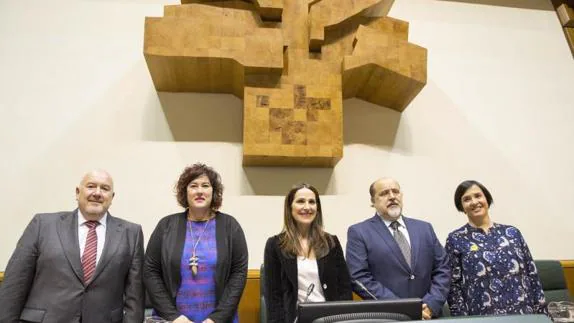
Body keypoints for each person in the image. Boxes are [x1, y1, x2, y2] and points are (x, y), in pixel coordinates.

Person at [0, 170, 145, 323]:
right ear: (77, 192)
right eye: (91, 186)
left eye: (105, 188)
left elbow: (135, 297)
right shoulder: (43, 225)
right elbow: (15, 283)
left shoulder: (131, 233)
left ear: (112, 197)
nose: (97, 193)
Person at [144, 163, 248, 323]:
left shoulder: (230, 226)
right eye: (193, 186)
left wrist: (216, 319)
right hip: (173, 320)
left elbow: (238, 274)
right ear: (185, 192)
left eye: (205, 185)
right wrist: (174, 317)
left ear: (213, 192)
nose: (199, 191)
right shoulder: (166, 226)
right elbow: (151, 271)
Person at [346, 177, 450, 319]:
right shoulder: (359, 232)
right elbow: (358, 277)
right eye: (384, 193)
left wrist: (431, 304)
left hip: (430, 315)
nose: (392, 197)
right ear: (373, 202)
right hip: (388, 317)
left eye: (395, 191)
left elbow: (442, 269)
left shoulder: (424, 228)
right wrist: (402, 308)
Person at [445, 180, 547, 316]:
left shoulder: (512, 233)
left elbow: (532, 274)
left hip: (523, 314)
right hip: (481, 316)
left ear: (487, 199)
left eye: (478, 196)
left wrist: (541, 314)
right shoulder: (455, 239)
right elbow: (453, 286)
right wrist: (462, 319)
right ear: (462, 207)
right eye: (467, 199)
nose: (474, 202)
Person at [264, 183, 353, 323]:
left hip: (331, 318)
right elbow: (274, 297)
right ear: (290, 207)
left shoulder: (331, 242)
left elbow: (345, 289)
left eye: (312, 202)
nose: (307, 207)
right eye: (300, 201)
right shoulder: (275, 245)